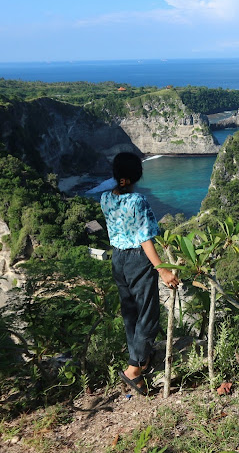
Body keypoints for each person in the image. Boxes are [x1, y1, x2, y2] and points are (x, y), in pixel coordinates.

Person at [100, 152, 179, 396]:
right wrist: (163, 270)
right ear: (137, 175)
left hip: (118, 259)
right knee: (148, 313)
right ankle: (134, 369)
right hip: (137, 259)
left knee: (130, 313)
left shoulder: (105, 198)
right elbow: (145, 238)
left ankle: (140, 361)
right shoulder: (138, 201)